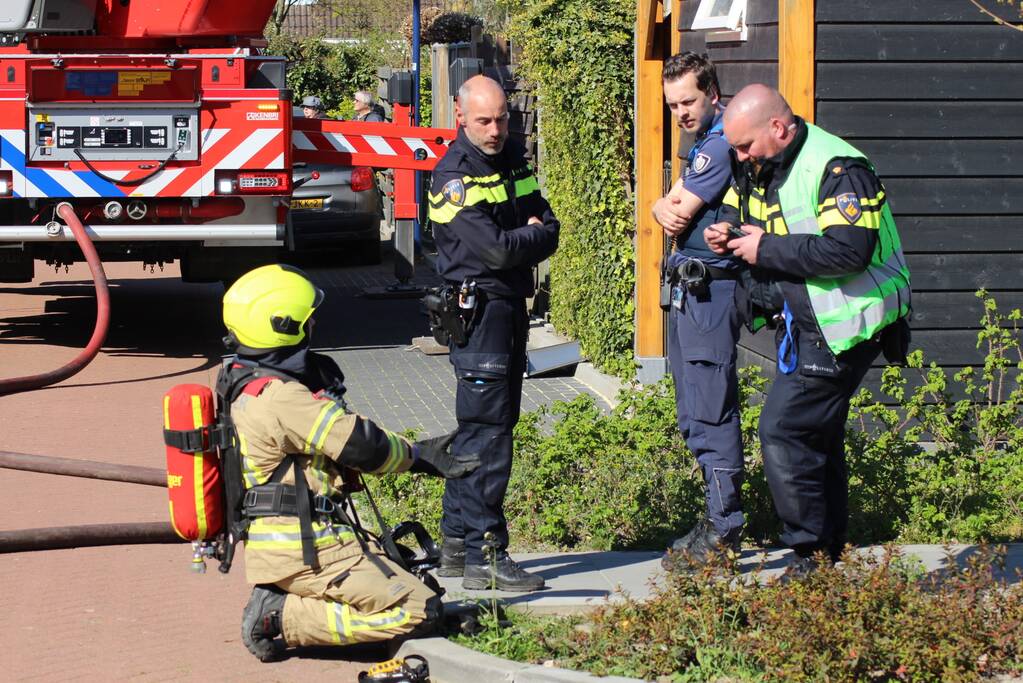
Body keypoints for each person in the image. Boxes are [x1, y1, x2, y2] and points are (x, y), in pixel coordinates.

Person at [222, 264, 480, 661]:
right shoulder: (279, 398)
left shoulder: (241, 379)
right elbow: (361, 446)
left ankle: (284, 598)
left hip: (290, 544)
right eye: (309, 321)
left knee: (414, 583)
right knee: (417, 609)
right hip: (311, 551)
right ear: (287, 326)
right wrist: (421, 456)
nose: (313, 329)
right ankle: (281, 617)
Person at [704, 84, 911, 575]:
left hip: (845, 322)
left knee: (784, 429)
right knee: (817, 435)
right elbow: (746, 208)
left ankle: (808, 558)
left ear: (778, 127)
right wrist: (727, 231)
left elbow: (848, 252)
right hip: (805, 320)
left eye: (745, 146)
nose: (739, 156)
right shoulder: (762, 159)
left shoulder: (839, 169)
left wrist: (765, 250)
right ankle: (828, 552)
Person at [427, 75, 560, 592]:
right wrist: (527, 235)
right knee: (489, 437)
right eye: (484, 120)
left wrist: (523, 235)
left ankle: (456, 546)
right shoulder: (453, 176)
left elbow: (549, 226)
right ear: (460, 116)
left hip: (507, 308)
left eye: (502, 117)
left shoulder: (512, 160)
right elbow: (502, 250)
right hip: (480, 313)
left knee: (481, 430)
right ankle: (487, 554)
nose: (496, 128)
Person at [652, 52, 746, 572]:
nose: (681, 112)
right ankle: (715, 518)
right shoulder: (699, 142)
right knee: (692, 413)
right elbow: (663, 206)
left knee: (711, 409)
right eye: (672, 105)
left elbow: (675, 213)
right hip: (690, 293)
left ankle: (726, 527)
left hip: (711, 295)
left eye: (688, 101)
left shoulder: (721, 142)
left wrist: (661, 206)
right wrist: (658, 205)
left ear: (711, 91)